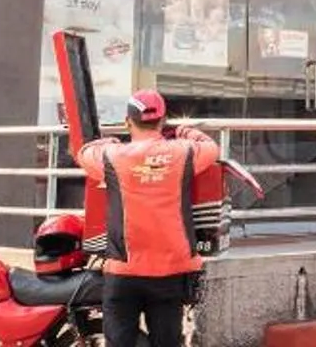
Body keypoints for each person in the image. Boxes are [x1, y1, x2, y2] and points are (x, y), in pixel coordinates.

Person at [76, 91, 227, 344]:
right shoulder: (183, 152)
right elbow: (212, 148)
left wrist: (112, 141)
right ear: (163, 120)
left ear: (128, 121)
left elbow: (83, 153)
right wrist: (184, 132)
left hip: (124, 273)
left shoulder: (113, 156)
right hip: (170, 273)